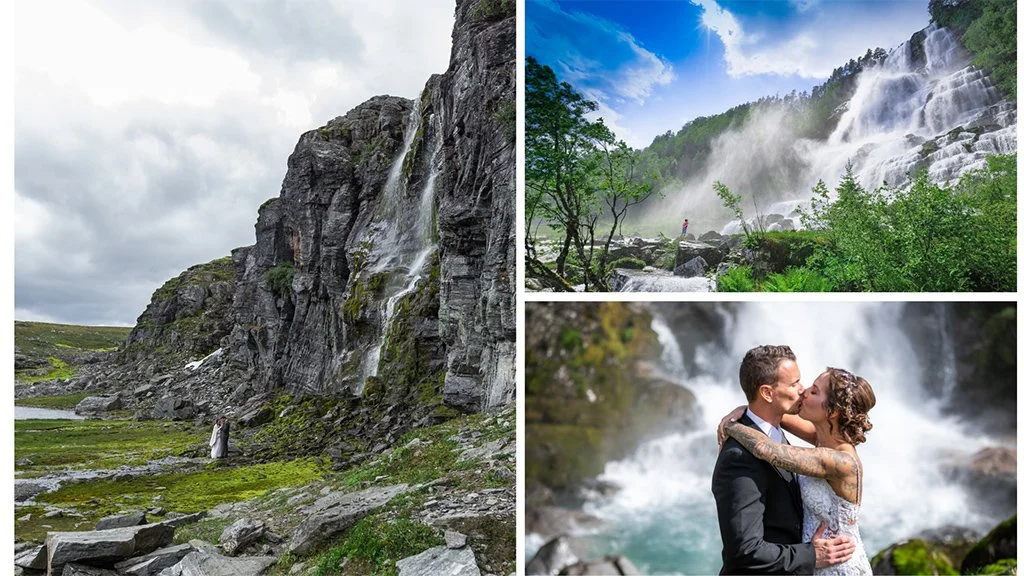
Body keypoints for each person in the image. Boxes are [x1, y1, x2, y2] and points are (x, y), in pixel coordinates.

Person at [718, 366, 876, 575]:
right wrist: (742, 410)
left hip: (837, 563)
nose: (804, 391)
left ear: (833, 411)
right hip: (815, 557)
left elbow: (765, 449)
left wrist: (730, 426)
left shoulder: (841, 461)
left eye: (814, 391)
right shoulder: (824, 437)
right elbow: (771, 412)